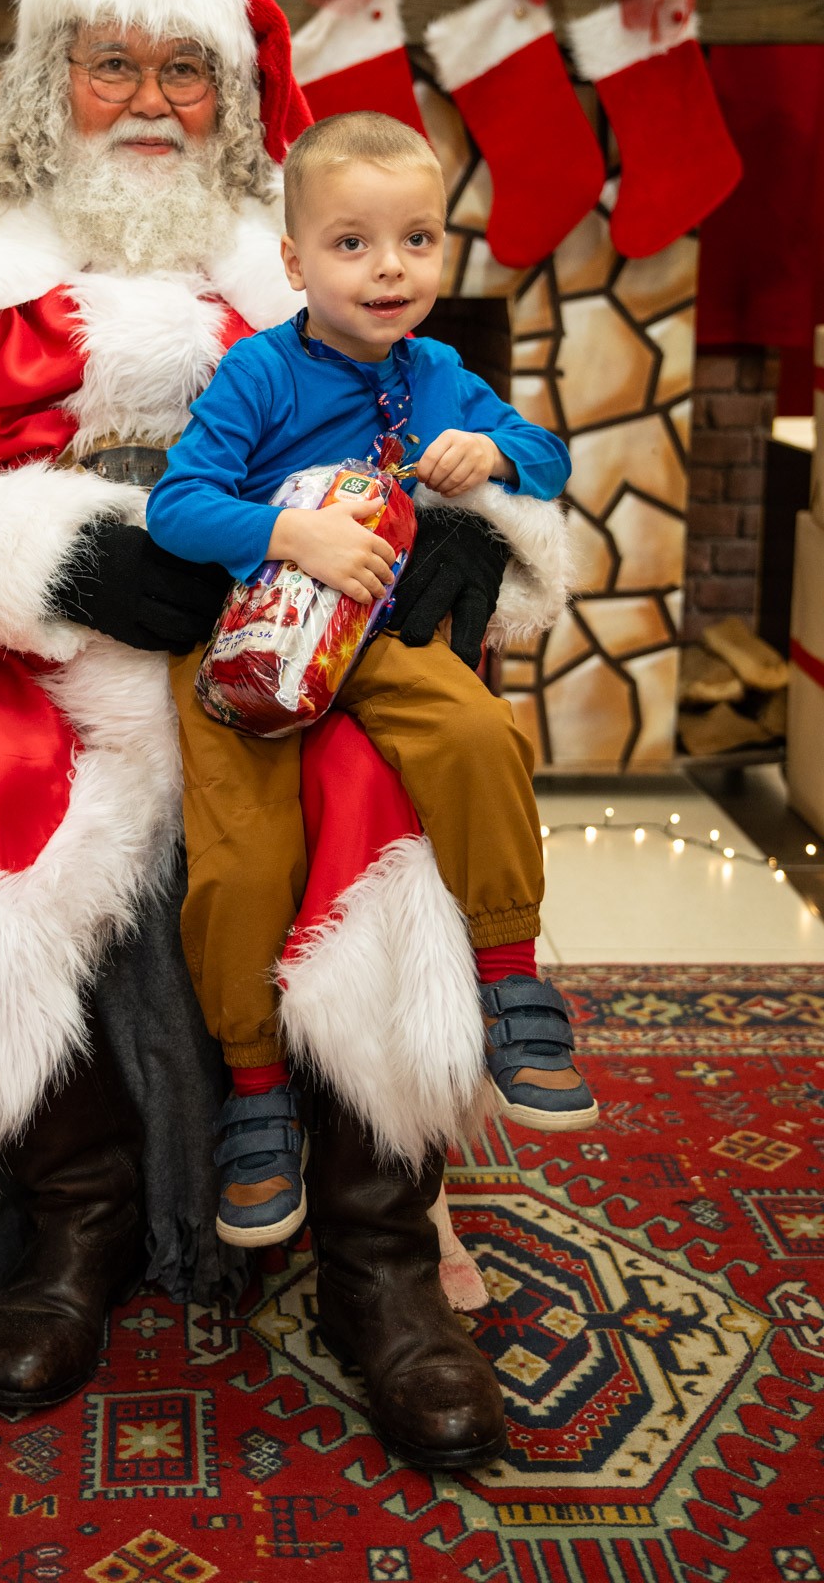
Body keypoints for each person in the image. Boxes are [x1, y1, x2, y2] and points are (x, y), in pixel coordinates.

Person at [0, 0, 571, 1469]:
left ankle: (379, 1254)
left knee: (384, 799)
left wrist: (468, 534)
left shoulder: (313, 259)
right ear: (48, 80)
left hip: (281, 629)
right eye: (112, 63)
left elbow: (442, 423)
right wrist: (54, 558)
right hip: (40, 642)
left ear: (234, 96)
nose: (150, 99)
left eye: (187, 70)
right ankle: (72, 1222)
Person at [147, 111, 598, 1252]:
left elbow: (549, 457)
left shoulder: (437, 375)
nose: (389, 269)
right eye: (351, 244)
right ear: (295, 262)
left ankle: (509, 978)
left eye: (416, 240)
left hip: (379, 644)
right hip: (249, 650)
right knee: (242, 857)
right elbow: (175, 505)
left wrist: (494, 453)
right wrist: (288, 533)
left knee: (478, 733)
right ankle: (256, 1091)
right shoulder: (259, 371)